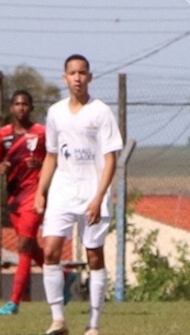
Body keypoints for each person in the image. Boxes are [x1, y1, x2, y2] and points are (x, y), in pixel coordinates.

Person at [35, 54, 123, 335]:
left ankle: (93, 325)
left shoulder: (101, 112)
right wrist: (41, 190)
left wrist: (99, 197)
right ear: (64, 78)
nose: (77, 78)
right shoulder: (55, 112)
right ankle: (58, 320)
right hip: (62, 191)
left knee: (94, 255)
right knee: (49, 250)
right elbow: (50, 155)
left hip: (91, 192)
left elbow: (110, 159)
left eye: (82, 73)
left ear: (90, 77)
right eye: (72, 73)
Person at [0, 89, 48, 316]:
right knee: (30, 246)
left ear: (31, 108)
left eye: (25, 104)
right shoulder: (3, 135)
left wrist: (41, 165)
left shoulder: (42, 133)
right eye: (17, 104)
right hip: (14, 197)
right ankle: (63, 276)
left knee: (23, 246)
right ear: (11, 108)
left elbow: (55, 159)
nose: (21, 107)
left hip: (35, 196)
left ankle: (14, 302)